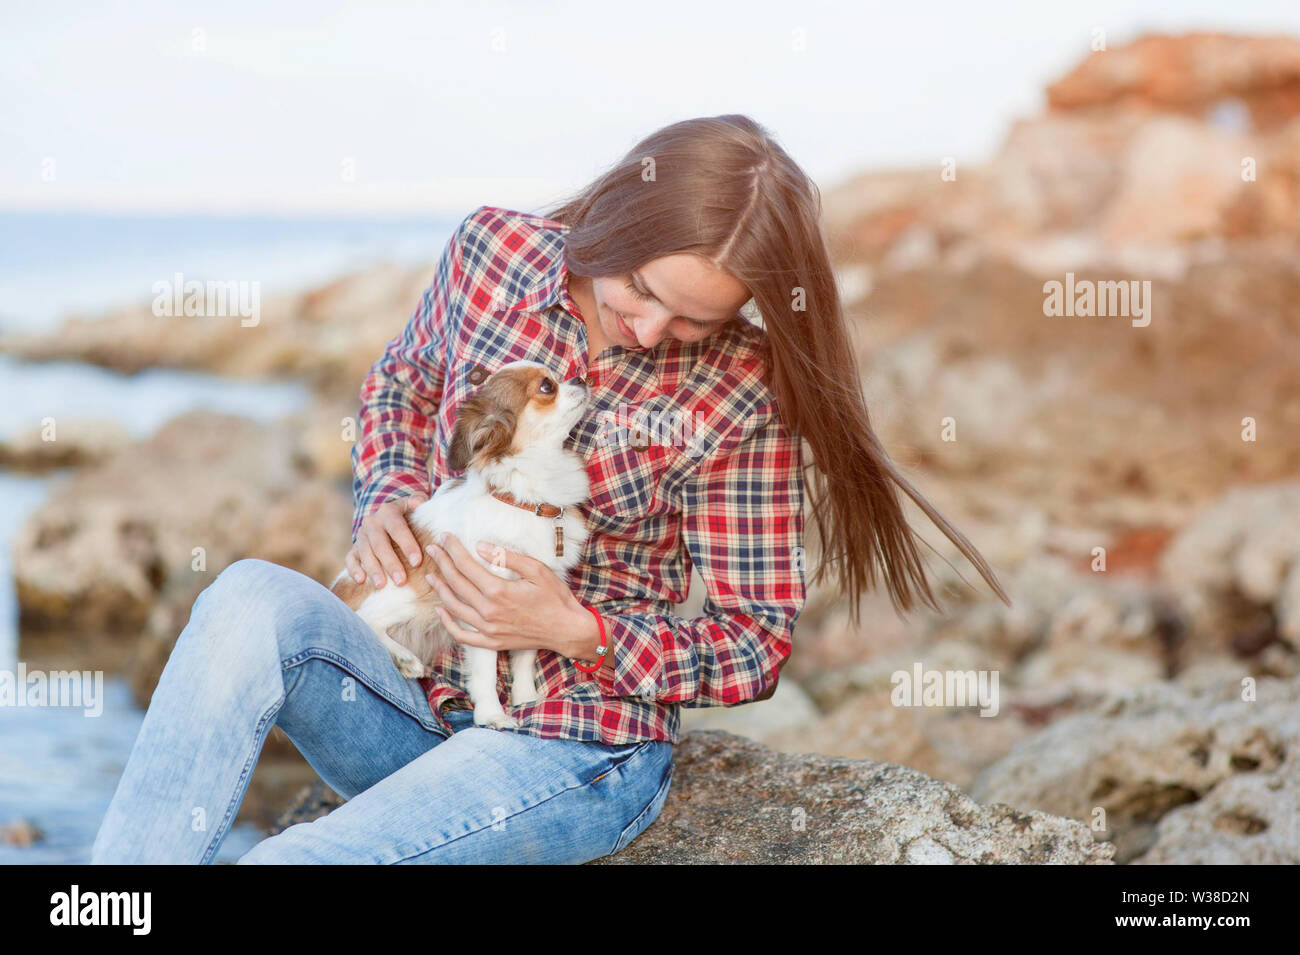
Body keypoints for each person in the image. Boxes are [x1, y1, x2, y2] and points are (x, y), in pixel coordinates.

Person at [91, 114, 1008, 865]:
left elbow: (752, 642)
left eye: (696, 319)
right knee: (249, 593)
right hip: (409, 703)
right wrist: (389, 496)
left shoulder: (745, 390)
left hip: (573, 747)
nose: (651, 330)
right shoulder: (491, 253)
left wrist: (578, 629)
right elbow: (403, 383)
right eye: (642, 289)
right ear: (615, 217)